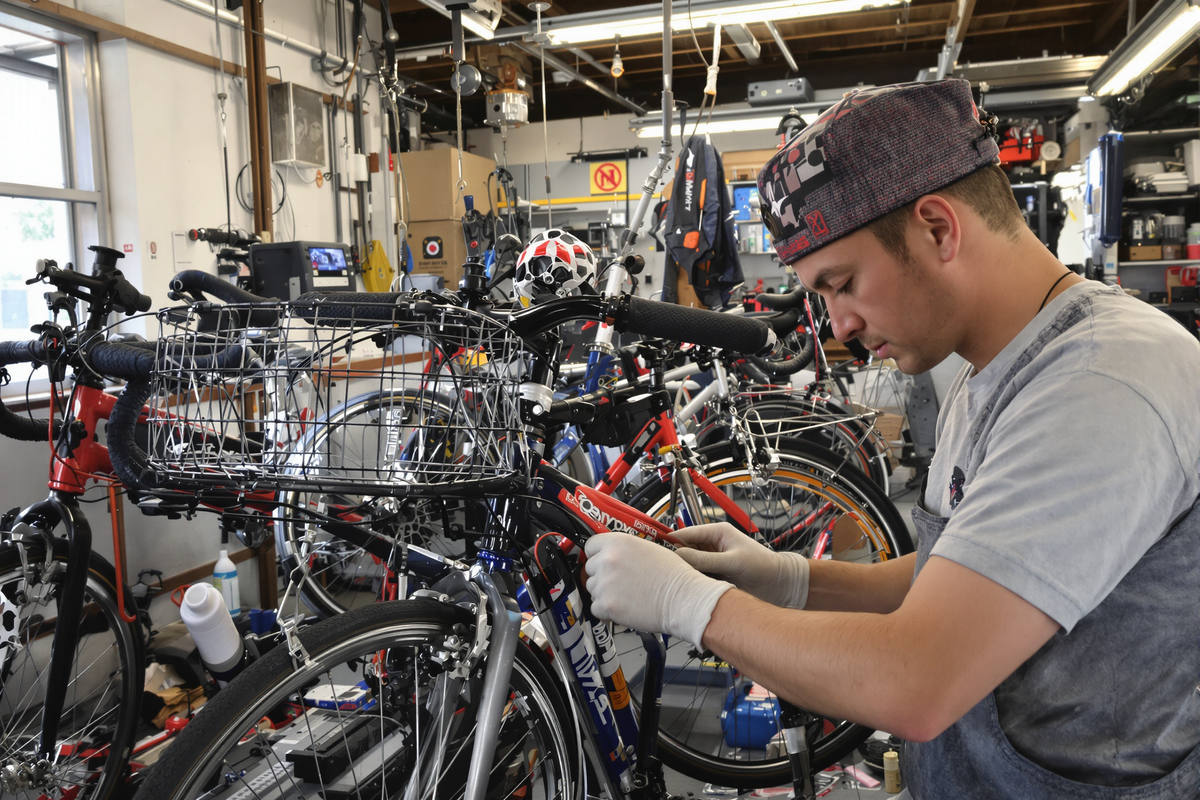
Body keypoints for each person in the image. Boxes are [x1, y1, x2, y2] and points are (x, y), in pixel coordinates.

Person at [583, 79, 1200, 797]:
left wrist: (692, 607)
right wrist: (787, 579)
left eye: (842, 283)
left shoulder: (1101, 385)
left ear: (937, 228)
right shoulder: (997, 362)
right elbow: (963, 581)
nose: (837, 325)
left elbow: (918, 678)